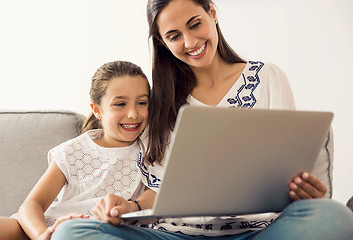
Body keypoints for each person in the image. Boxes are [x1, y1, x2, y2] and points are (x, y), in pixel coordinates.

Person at [51, 0, 353, 239]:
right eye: (174, 36)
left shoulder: (267, 78)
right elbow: (160, 191)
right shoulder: (157, 103)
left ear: (212, 13)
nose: (190, 41)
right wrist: (129, 206)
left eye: (195, 24)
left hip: (258, 232)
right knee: (70, 232)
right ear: (162, 42)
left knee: (334, 217)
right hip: (176, 235)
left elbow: (287, 169)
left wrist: (304, 191)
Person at [0, 60, 151, 240]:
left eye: (142, 102)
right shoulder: (73, 151)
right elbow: (31, 205)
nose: (133, 113)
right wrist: (41, 235)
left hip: (92, 231)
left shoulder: (152, 148)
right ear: (97, 110)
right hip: (50, 227)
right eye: (120, 104)